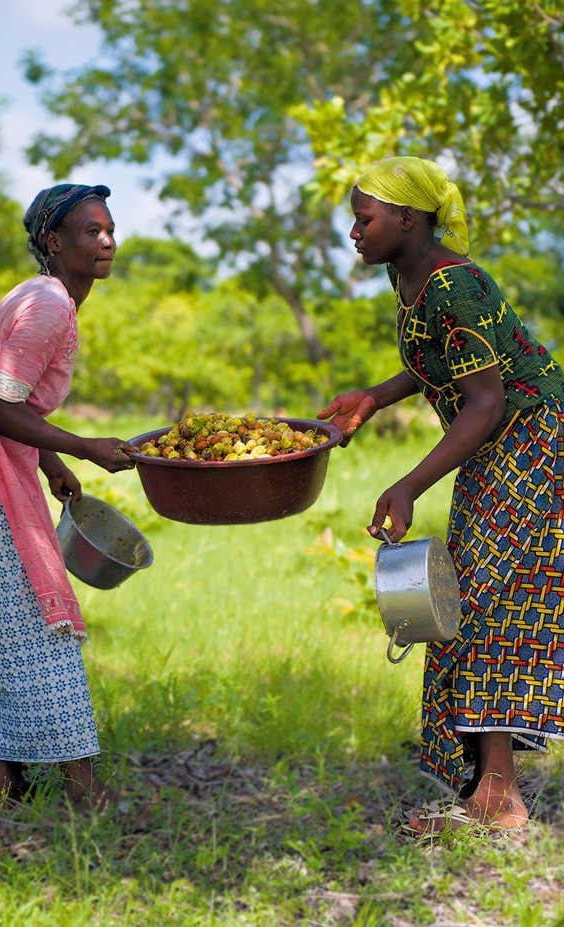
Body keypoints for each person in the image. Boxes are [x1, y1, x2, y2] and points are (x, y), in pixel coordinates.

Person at [318, 156, 564, 834]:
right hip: (503, 447)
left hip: (535, 443)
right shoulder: (414, 280)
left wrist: (407, 483)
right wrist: (374, 396)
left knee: (483, 603)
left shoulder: (456, 283)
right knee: (470, 601)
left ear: (407, 217)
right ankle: (487, 788)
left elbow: (483, 401)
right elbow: (442, 360)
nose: (353, 231)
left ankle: (499, 799)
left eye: (364, 219)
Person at [0, 182, 136, 810]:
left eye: (108, 228)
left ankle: (6, 782)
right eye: (89, 231)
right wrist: (82, 446)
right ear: (53, 241)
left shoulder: (46, 297)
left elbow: (10, 398)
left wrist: (47, 461)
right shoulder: (50, 305)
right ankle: (79, 786)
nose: (106, 241)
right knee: (37, 626)